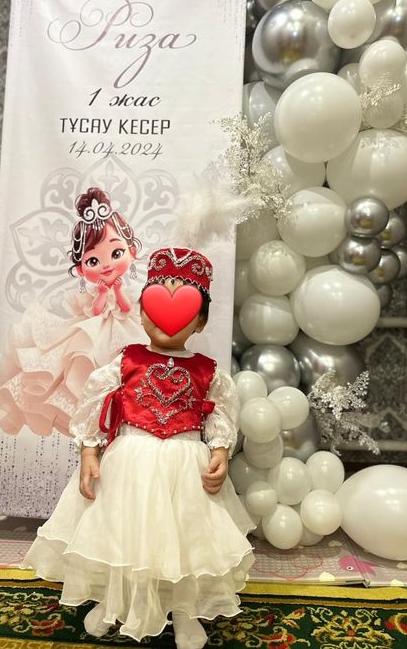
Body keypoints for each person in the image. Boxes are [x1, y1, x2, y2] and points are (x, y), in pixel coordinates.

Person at [22, 247, 255, 648]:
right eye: (155, 305)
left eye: (185, 308)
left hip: (186, 465)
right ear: (144, 312)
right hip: (129, 461)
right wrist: (90, 452)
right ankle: (114, 601)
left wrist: (219, 452)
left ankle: (183, 610)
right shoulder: (126, 361)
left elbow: (219, 414)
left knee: (185, 539)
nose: (166, 317)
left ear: (200, 321)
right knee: (120, 532)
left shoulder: (208, 371)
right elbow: (95, 404)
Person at [0, 187, 144, 437]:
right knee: (86, 369)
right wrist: (103, 293)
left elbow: (126, 308)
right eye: (93, 260)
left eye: (116, 253)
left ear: (132, 251)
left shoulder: (127, 288)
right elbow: (96, 311)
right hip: (93, 335)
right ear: (82, 269)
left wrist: (117, 291)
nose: (106, 265)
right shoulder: (95, 290)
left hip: (125, 331)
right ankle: (98, 429)